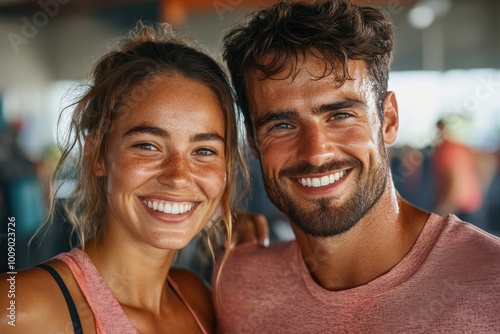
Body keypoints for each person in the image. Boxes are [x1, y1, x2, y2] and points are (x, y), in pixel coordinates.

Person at [214, 0, 500, 333]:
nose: (316, 153)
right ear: (252, 140)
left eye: (340, 115)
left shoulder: (490, 282)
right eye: (282, 125)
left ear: (389, 120)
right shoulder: (238, 285)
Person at [0, 22, 249, 334]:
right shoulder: (21, 309)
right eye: (148, 146)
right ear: (97, 155)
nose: (178, 176)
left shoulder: (197, 298)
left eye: (204, 150)